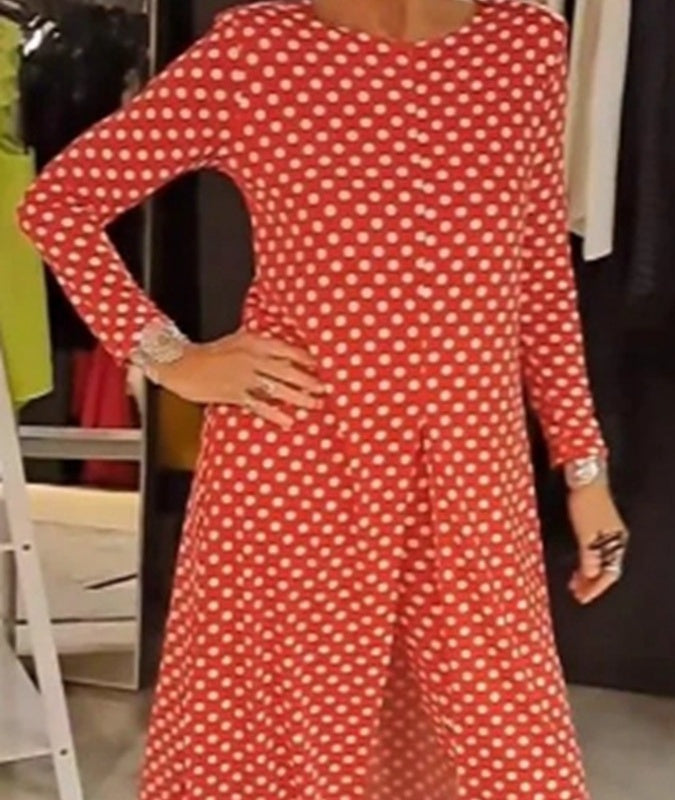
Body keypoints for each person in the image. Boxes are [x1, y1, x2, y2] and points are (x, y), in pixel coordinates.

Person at [17, 0, 630, 797]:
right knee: (296, 754)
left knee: (513, 754)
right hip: (301, 471)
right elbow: (59, 204)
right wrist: (170, 358)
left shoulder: (525, 46)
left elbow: (538, 274)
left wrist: (584, 468)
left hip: (474, 481)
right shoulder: (259, 52)